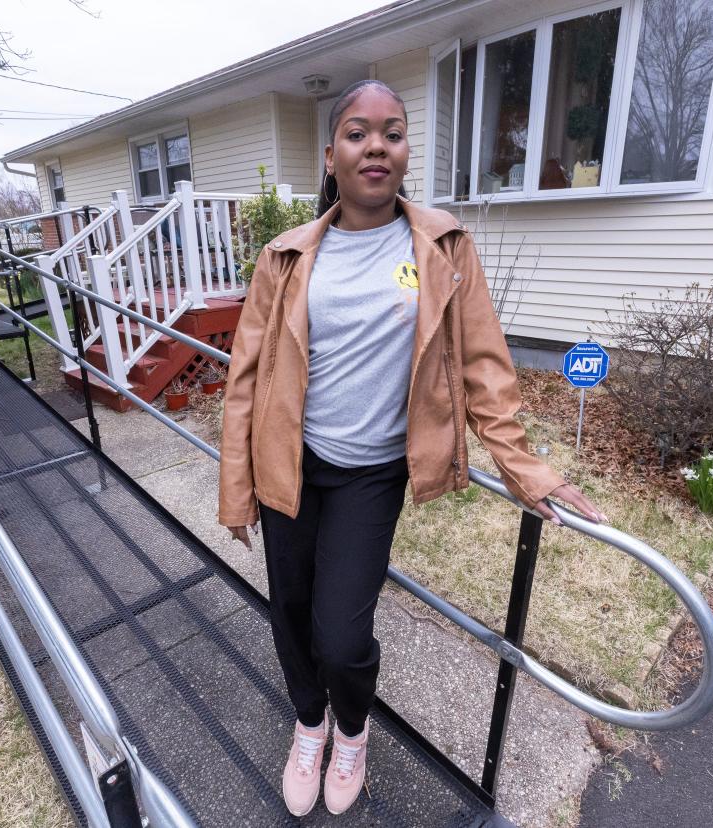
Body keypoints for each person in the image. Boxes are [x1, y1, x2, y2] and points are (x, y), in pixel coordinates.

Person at [216, 79, 606, 818]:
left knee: (341, 634)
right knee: (290, 613)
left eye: (392, 133)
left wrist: (524, 466)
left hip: (370, 474)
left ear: (405, 152)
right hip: (288, 464)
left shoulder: (443, 245)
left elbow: (484, 366)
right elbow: (246, 379)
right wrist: (236, 487)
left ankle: (352, 729)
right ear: (330, 154)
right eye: (358, 133)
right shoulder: (287, 256)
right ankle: (309, 723)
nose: (376, 147)